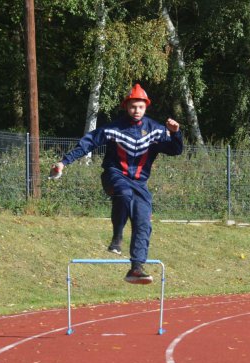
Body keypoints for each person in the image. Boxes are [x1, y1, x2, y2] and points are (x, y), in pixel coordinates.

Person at [51, 83, 183, 284]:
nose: (136, 111)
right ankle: (117, 237)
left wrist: (176, 133)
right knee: (123, 194)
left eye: (140, 107)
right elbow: (87, 143)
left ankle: (136, 268)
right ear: (125, 107)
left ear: (146, 107)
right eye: (132, 107)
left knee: (143, 223)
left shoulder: (156, 130)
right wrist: (63, 162)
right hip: (114, 175)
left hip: (140, 183)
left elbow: (175, 150)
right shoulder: (113, 129)